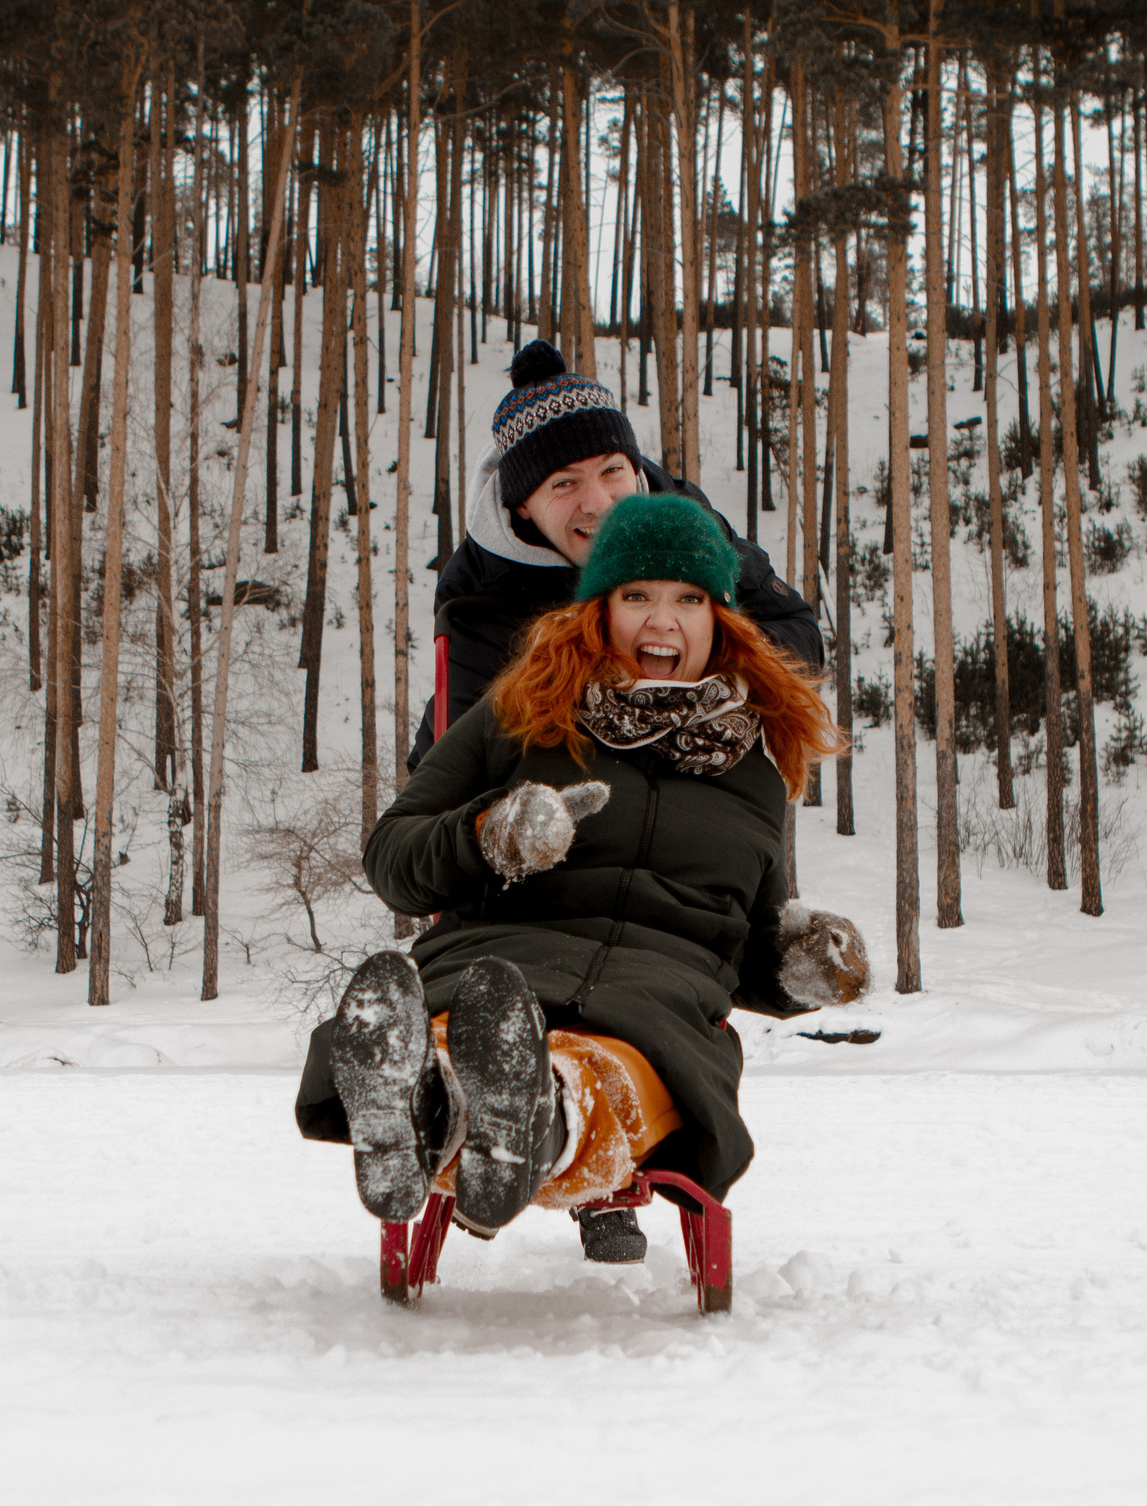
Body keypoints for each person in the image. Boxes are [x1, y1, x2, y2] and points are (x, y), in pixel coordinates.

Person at [298, 492, 871, 1264]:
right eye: (636, 596)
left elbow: (739, 935)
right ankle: (416, 1102)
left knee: (601, 1073)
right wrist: (488, 837)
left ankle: (519, 1121)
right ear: (597, 611)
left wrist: (800, 963)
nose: (661, 622)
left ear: (721, 618)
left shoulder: (760, 767)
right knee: (471, 1029)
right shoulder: (520, 714)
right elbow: (392, 858)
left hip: (659, 1001)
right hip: (493, 965)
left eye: (687, 599)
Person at [411, 339, 824, 771]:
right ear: (522, 506)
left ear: (635, 468)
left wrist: (695, 673)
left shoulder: (686, 532)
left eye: (611, 471)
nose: (599, 502)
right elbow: (449, 770)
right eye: (564, 483)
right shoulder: (482, 596)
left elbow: (799, 634)